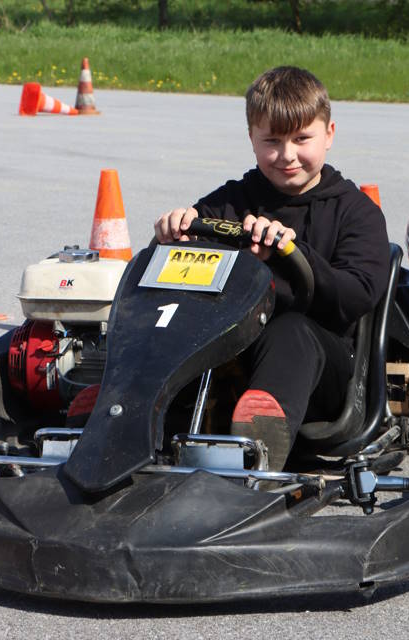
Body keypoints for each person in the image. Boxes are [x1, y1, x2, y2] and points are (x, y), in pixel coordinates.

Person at [153, 66, 390, 471]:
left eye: (301, 139)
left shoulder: (356, 213)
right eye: (272, 141)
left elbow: (357, 295)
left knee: (290, 329)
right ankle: (118, 418)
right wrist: (173, 240)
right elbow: (176, 289)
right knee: (167, 322)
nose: (287, 155)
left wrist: (292, 253)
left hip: (319, 372)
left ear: (329, 134)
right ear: (252, 138)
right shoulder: (228, 203)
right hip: (229, 358)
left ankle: (260, 442)